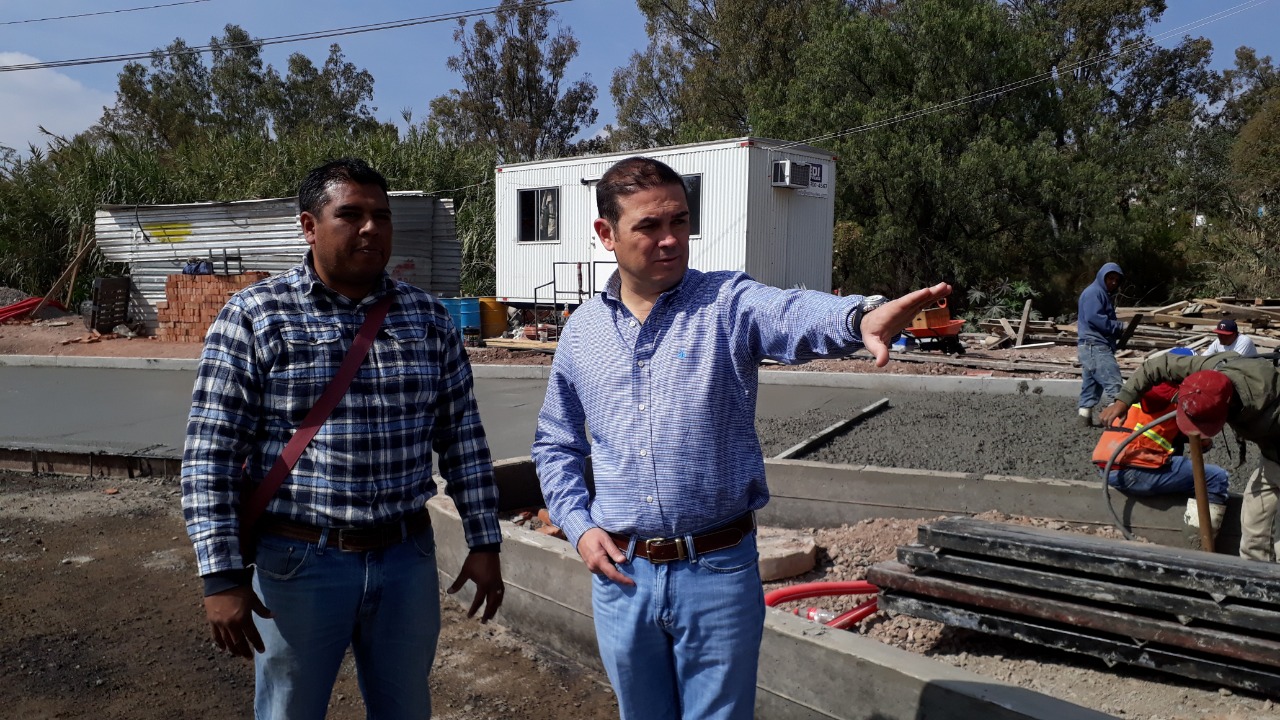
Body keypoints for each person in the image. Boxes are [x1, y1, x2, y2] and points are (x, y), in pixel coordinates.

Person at [530, 156, 951, 719]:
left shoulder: (726, 303)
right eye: (649, 226)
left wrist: (858, 319)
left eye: (679, 221)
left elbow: (790, 311)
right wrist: (579, 527)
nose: (670, 239)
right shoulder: (582, 332)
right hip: (622, 576)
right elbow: (556, 443)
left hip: (716, 571)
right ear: (606, 234)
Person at [181, 158, 505, 719]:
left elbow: (463, 440)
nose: (371, 228)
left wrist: (484, 541)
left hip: (405, 560)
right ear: (309, 226)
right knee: (289, 710)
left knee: (405, 709)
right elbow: (211, 454)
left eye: (382, 216)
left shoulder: (429, 320)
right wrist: (221, 576)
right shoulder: (256, 316)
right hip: (300, 562)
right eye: (350, 215)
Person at [1101, 353, 1280, 562]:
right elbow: (1158, 365)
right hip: (1271, 459)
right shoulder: (1213, 371)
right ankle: (1252, 573)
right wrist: (1124, 399)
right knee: (1253, 521)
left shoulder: (1270, 407)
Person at [1093, 381, 1229, 539]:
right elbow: (1201, 439)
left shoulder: (1140, 392)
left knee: (1180, 462)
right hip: (1133, 469)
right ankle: (1199, 540)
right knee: (1215, 478)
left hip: (1108, 466)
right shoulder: (1171, 395)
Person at [1077, 262, 1126, 426]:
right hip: (1096, 346)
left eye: (1116, 280)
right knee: (1115, 384)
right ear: (1102, 277)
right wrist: (1118, 327)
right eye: (1110, 278)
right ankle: (1119, 423)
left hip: (1090, 346)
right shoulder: (1094, 293)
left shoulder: (1099, 293)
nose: (1113, 282)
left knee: (1091, 386)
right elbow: (1095, 318)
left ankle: (1084, 418)